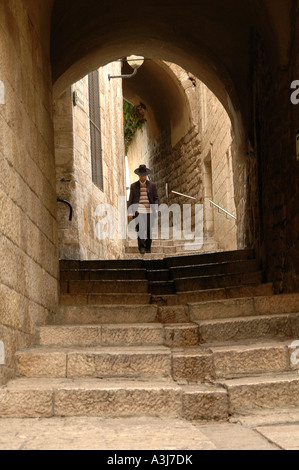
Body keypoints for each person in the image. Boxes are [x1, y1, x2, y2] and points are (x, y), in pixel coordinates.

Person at [127, 164, 160, 254]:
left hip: (149, 211)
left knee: (149, 229)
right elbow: (130, 200)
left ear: (146, 175)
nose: (142, 177)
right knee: (140, 229)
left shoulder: (152, 185)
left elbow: (156, 198)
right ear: (139, 175)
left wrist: (156, 208)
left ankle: (148, 247)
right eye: (141, 175)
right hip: (138, 211)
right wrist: (130, 212)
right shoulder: (134, 186)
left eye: (144, 175)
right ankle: (141, 247)